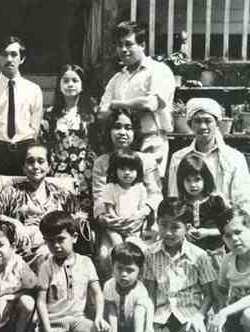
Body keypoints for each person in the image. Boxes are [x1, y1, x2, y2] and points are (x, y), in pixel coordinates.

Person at [0, 144, 87, 271]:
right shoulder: (12, 192)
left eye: (41, 161)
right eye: (30, 161)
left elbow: (82, 220)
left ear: (49, 166)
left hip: (55, 252)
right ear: (24, 167)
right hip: (18, 258)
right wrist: (13, 222)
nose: (36, 166)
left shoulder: (62, 195)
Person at [142, 198, 218, 332]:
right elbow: (150, 293)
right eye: (163, 225)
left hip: (189, 314)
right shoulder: (150, 254)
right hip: (161, 313)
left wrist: (200, 316)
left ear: (187, 228)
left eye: (175, 227)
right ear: (157, 224)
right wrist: (148, 322)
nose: (168, 232)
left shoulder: (199, 255)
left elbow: (209, 295)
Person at [99, 21, 177, 177]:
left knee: (149, 193)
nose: (123, 50)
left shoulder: (158, 71)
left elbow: (150, 103)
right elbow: (102, 113)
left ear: (142, 45)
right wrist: (132, 105)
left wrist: (117, 104)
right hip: (122, 145)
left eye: (129, 44)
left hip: (150, 142)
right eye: (119, 45)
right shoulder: (117, 78)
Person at [92, 109, 162, 279]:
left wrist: (141, 214)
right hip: (112, 224)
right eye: (117, 127)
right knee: (105, 255)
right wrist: (105, 218)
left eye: (128, 128)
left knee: (143, 253)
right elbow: (99, 196)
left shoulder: (146, 160)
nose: (123, 132)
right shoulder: (102, 162)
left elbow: (156, 194)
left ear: (135, 132)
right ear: (109, 131)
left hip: (142, 223)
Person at [35, 210, 109, 332]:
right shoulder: (46, 267)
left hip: (77, 322)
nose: (56, 245)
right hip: (53, 326)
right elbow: (40, 301)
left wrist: (99, 318)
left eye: (61, 239)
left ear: (74, 237)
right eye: (50, 241)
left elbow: (97, 293)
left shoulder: (86, 262)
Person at [0, 36, 43, 178]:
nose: (9, 59)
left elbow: (35, 126)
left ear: (22, 58)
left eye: (14, 54)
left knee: (26, 196)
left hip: (25, 149)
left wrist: (29, 149)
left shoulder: (34, 89)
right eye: (4, 54)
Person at [167, 98, 250, 210]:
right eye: (197, 121)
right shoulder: (178, 158)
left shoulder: (235, 158)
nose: (203, 127)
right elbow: (174, 198)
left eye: (208, 121)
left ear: (217, 124)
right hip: (189, 221)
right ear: (189, 124)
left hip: (226, 221)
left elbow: (243, 202)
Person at [42, 64, 99, 212]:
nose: (70, 84)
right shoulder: (50, 114)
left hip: (86, 176)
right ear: (59, 85)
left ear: (82, 85)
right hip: (58, 175)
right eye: (65, 81)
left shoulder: (93, 114)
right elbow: (45, 146)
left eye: (75, 80)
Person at [204, 207, 250, 332]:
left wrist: (223, 312)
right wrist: (217, 316)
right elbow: (222, 292)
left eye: (238, 232)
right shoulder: (227, 260)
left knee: (248, 315)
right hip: (234, 320)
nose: (234, 239)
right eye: (228, 235)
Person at [104, 242, 155, 332]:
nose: (124, 274)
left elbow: (139, 317)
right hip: (117, 328)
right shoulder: (109, 285)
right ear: (112, 267)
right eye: (119, 268)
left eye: (130, 270)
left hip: (136, 328)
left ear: (140, 271)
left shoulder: (140, 290)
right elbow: (112, 314)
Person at [175, 153, 230, 269]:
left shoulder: (216, 202)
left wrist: (208, 232)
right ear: (181, 181)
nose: (193, 184)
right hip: (190, 258)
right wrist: (185, 232)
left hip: (215, 255)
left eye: (197, 179)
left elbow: (228, 228)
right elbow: (175, 229)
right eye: (188, 180)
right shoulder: (179, 205)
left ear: (205, 179)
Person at [99, 150, 149, 256]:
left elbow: (142, 209)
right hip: (115, 226)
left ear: (138, 171)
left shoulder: (140, 188)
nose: (127, 173)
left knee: (136, 247)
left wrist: (135, 219)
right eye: (122, 169)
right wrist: (119, 221)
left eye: (131, 169)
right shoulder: (110, 187)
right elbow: (109, 209)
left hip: (133, 228)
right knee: (116, 246)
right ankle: (113, 271)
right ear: (115, 170)